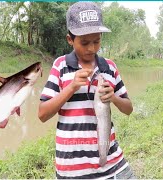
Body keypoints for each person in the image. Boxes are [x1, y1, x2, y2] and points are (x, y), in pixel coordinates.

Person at [38, 2, 135, 179]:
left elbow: (128, 108)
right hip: (73, 169)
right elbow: (42, 114)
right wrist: (72, 87)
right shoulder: (61, 66)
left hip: (114, 165)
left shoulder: (109, 67)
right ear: (70, 39)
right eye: (84, 43)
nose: (91, 48)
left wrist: (113, 97)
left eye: (96, 41)